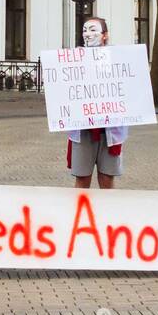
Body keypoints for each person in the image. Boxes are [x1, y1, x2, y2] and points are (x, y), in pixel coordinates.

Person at [66, 17, 127, 189]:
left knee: (107, 179)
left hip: (110, 130)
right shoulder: (74, 58)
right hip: (84, 129)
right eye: (85, 30)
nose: (88, 34)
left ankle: (106, 215)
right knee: (82, 179)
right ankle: (79, 213)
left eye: (93, 30)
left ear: (105, 35)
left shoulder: (117, 58)